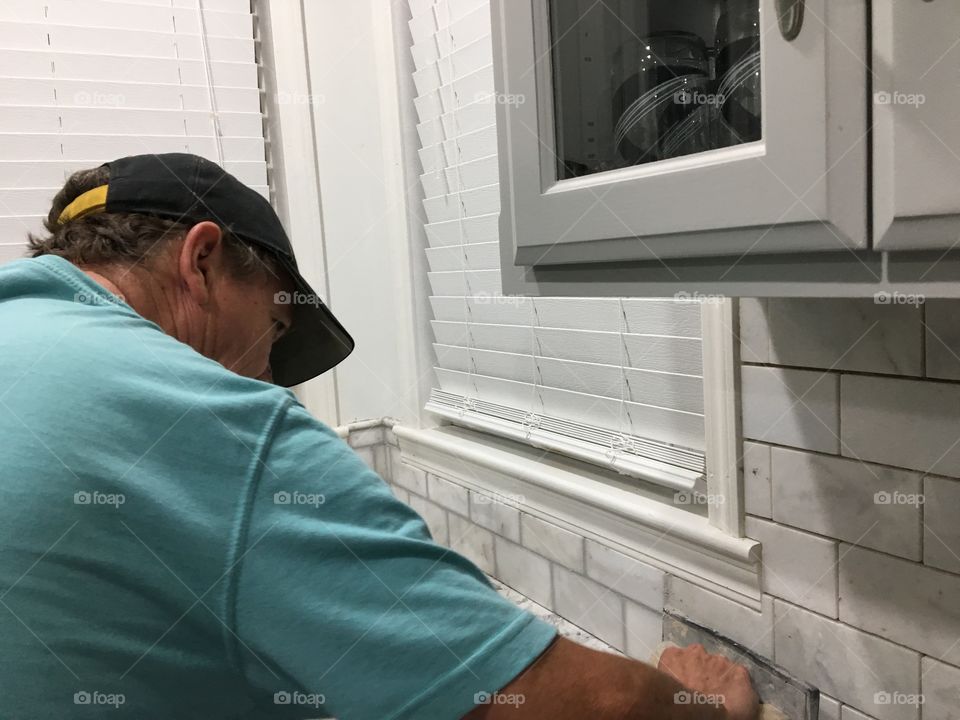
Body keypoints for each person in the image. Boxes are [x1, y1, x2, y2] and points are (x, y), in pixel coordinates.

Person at [0, 153, 758, 719]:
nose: (267, 378)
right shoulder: (199, 414)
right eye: (273, 329)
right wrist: (704, 708)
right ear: (201, 262)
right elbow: (542, 702)